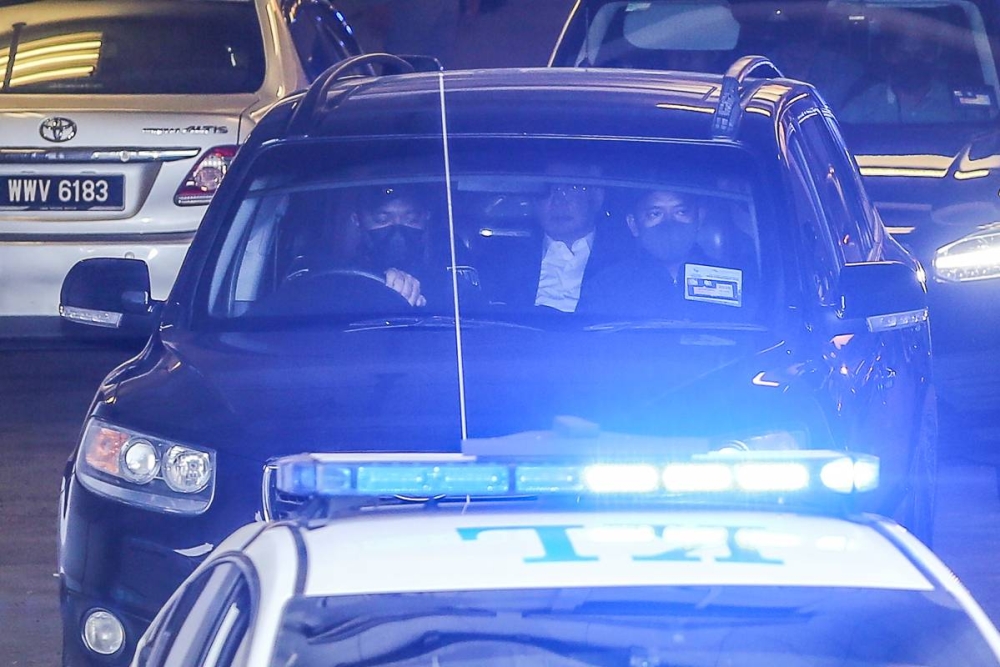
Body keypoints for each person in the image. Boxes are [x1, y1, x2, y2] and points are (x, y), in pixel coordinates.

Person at [580, 188, 753, 318]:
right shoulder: (606, 287)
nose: (669, 224)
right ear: (633, 224)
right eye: (655, 214)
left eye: (680, 212)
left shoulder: (737, 282)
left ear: (699, 218)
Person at [479, 162, 627, 312]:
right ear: (534, 200)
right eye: (547, 190)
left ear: (596, 196)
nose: (559, 201)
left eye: (572, 188)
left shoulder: (625, 259)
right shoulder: (501, 260)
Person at [839, 23, 975, 124]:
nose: (912, 61)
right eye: (902, 54)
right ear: (887, 54)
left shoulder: (960, 106)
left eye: (921, 54)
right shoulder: (863, 106)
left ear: (934, 55)